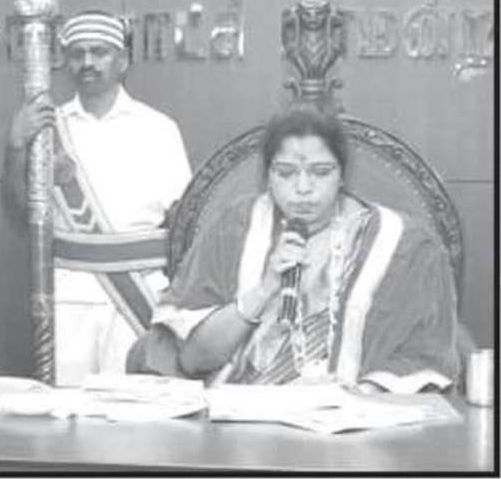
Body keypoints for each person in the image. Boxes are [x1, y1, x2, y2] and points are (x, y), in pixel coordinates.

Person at [136, 106, 461, 392]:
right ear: (268, 176)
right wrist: (263, 291)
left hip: (352, 423)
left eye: (321, 172)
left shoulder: (404, 245)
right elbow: (193, 359)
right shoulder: (233, 229)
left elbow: (424, 357)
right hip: (244, 419)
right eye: (286, 173)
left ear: (342, 176)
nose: (303, 188)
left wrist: (360, 396)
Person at [1, 10, 192, 386]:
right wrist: (15, 146)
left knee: (136, 410)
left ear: (123, 60)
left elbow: (184, 221)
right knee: (68, 411)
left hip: (140, 294)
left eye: (100, 52)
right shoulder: (46, 127)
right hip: (68, 298)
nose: (87, 62)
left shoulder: (158, 128)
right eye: (77, 53)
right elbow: (18, 210)